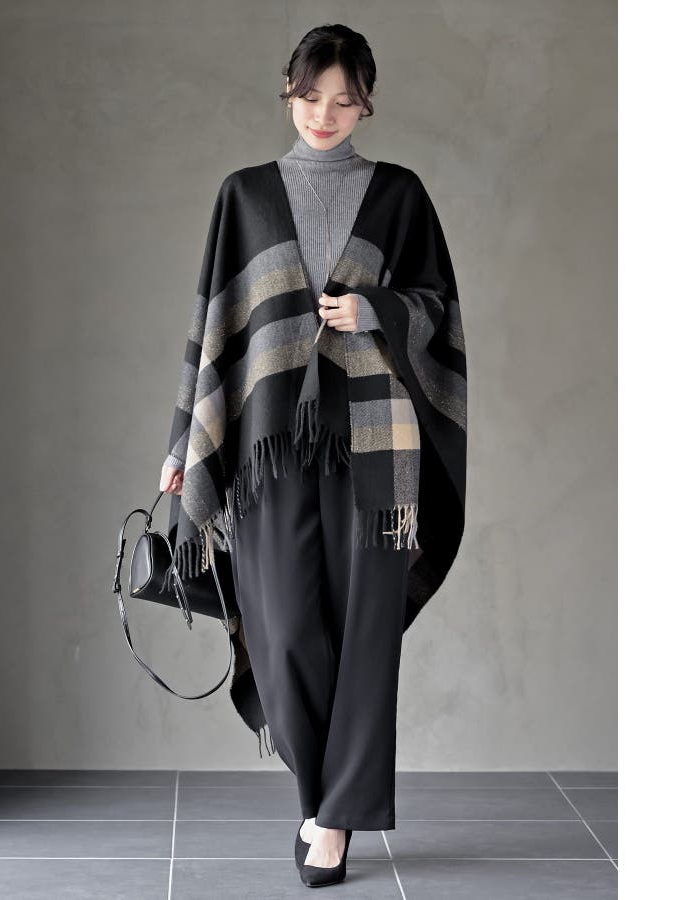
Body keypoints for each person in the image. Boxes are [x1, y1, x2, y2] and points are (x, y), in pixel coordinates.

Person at [159, 24, 467, 889]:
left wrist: (380, 314)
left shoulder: (400, 194)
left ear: (366, 104)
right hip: (265, 449)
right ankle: (318, 794)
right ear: (287, 92)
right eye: (310, 96)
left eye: (344, 100)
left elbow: (440, 311)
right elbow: (211, 326)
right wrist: (183, 444)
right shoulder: (245, 195)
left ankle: (331, 820)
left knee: (366, 635)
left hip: (379, 447)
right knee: (285, 629)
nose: (325, 114)